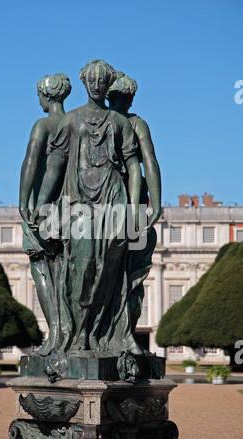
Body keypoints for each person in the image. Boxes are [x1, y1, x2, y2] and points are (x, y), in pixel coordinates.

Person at [34, 60, 143, 355]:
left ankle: (99, 334)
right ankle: (79, 333)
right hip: (79, 205)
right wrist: (42, 201)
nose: (96, 86)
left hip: (113, 202)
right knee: (81, 267)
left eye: (102, 81)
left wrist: (133, 209)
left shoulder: (120, 124)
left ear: (108, 85)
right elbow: (55, 164)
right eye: (92, 81)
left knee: (109, 269)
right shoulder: (70, 121)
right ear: (85, 83)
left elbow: (134, 166)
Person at [19, 73, 71, 355]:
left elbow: (30, 162)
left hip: (44, 210)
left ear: (46, 95)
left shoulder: (44, 124)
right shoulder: (76, 122)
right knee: (67, 273)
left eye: (39, 95)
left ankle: (55, 334)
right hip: (75, 211)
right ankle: (71, 335)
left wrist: (23, 202)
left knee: (41, 268)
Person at [107, 74, 161, 333]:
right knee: (132, 275)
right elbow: (149, 162)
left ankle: (105, 334)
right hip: (131, 204)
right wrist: (156, 202)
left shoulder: (98, 122)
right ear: (129, 99)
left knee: (105, 272)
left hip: (100, 204)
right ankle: (123, 332)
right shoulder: (137, 124)